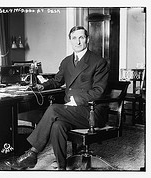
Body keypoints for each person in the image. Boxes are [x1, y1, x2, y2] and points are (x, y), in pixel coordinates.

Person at [6, 26, 110, 170]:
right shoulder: (67, 61)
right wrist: (41, 86)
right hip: (72, 111)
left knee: (54, 109)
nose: (78, 42)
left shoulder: (99, 62)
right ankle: (61, 167)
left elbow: (99, 91)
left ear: (87, 39)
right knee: (57, 126)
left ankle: (32, 152)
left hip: (92, 112)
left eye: (81, 37)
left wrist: (76, 100)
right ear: (70, 40)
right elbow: (57, 80)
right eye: (74, 38)